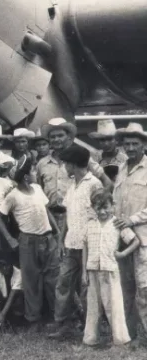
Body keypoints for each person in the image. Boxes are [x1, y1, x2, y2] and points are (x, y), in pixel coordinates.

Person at [0, 155, 60, 329]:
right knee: (31, 281)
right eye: (31, 170)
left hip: (48, 239)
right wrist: (10, 239)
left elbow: (46, 211)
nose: (34, 173)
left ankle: (56, 318)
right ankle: (33, 319)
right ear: (24, 176)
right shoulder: (13, 196)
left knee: (52, 279)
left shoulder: (37, 188)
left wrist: (57, 231)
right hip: (28, 242)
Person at [48, 143, 103, 340]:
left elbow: (100, 216)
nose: (64, 167)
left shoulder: (94, 184)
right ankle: (63, 324)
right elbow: (67, 217)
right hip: (71, 244)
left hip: (89, 245)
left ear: (72, 164)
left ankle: (90, 326)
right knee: (63, 283)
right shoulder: (72, 186)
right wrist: (61, 240)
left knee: (87, 286)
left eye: (65, 163)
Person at [82, 190, 138, 347]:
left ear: (112, 205)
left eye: (105, 207)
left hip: (110, 271)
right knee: (93, 305)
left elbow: (135, 241)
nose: (102, 211)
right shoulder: (90, 224)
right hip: (93, 270)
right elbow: (85, 246)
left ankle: (120, 339)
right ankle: (90, 338)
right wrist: (83, 271)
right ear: (93, 208)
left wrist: (122, 254)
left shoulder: (117, 224)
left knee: (113, 305)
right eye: (98, 208)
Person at [112, 122, 147, 345]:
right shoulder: (122, 168)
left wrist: (132, 219)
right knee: (125, 287)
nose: (131, 148)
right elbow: (116, 201)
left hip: (143, 238)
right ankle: (130, 334)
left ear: (143, 145)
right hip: (122, 236)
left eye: (135, 144)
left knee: (144, 289)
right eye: (127, 144)